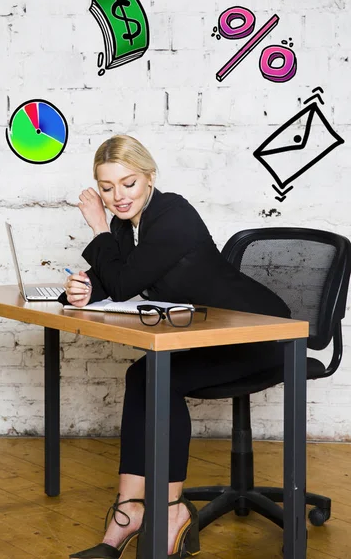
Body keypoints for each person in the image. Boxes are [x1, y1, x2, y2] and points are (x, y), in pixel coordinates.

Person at [58, 134, 291, 559]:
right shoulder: (130, 227)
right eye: (106, 189)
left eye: (128, 183)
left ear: (149, 177)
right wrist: (79, 289)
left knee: (160, 379)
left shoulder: (174, 215)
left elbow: (126, 282)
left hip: (265, 337)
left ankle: (170, 512)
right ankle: (128, 512)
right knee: (142, 374)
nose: (117, 197)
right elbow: (112, 276)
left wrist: (96, 224)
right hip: (215, 338)